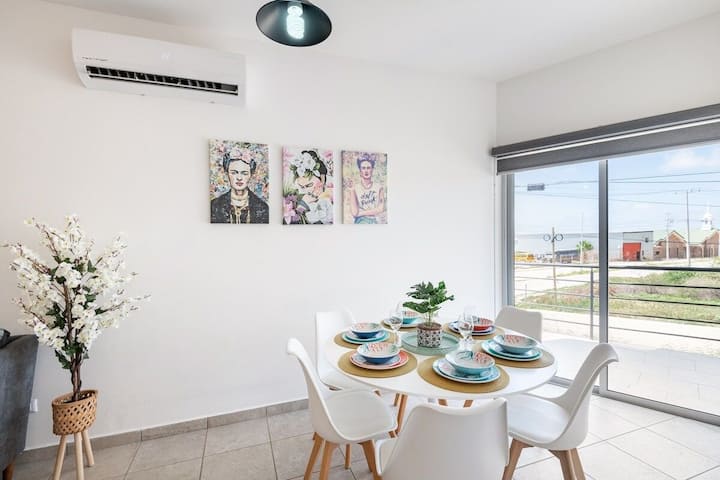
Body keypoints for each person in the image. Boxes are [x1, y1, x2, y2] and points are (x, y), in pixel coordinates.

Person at [211, 153, 269, 224]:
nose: (239, 178)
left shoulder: (262, 207)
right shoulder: (215, 205)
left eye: (244, 173)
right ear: (227, 174)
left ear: (251, 175)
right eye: (234, 173)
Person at [350, 153, 385, 224]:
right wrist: (373, 211)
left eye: (368, 168)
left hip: (375, 221)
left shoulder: (379, 187)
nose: (366, 171)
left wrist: (361, 213)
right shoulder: (354, 189)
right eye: (363, 168)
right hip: (360, 221)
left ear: (372, 170)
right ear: (360, 170)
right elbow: (354, 212)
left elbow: (380, 209)